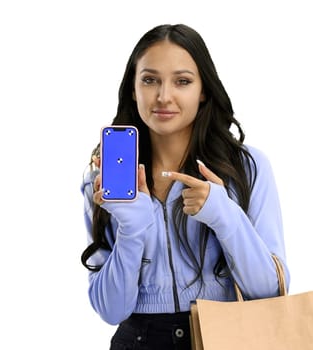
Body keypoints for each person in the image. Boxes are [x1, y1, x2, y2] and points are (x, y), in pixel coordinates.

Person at [80, 23, 289, 350]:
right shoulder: (105, 181)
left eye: (182, 81)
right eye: (150, 80)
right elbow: (111, 309)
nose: (164, 96)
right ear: (133, 89)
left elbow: (269, 291)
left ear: (203, 89)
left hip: (224, 337)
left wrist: (224, 215)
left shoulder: (246, 168)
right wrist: (131, 229)